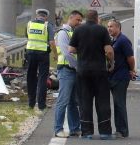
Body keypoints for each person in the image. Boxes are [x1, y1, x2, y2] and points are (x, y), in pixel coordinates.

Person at [68, 9, 115, 140]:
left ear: (85, 19)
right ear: (96, 18)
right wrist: (111, 63)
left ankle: (87, 132)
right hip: (99, 71)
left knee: (84, 102)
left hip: (83, 71)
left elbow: (71, 49)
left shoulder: (78, 30)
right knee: (103, 102)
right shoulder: (102, 30)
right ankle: (105, 132)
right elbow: (109, 51)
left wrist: (82, 49)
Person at [53, 10, 83, 138]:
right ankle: (58, 129)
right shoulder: (63, 33)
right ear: (70, 18)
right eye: (77, 20)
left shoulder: (72, 32)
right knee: (63, 101)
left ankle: (75, 128)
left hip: (73, 71)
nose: (79, 22)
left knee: (73, 102)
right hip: (66, 70)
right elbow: (66, 53)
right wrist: (78, 66)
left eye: (81, 20)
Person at [107, 19, 135, 138]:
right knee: (116, 103)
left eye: (111, 26)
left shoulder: (123, 40)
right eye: (108, 26)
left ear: (118, 27)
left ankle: (122, 131)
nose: (109, 29)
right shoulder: (114, 40)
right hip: (113, 76)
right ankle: (119, 129)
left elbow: (130, 57)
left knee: (119, 103)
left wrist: (131, 70)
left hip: (121, 76)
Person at [25, 8, 56, 114]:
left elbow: (27, 36)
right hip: (43, 54)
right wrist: (55, 54)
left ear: (37, 15)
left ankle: (31, 103)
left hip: (30, 53)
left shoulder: (29, 24)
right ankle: (41, 105)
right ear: (46, 17)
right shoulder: (48, 25)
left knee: (30, 77)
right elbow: (52, 42)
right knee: (42, 78)